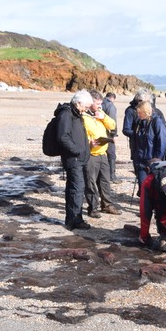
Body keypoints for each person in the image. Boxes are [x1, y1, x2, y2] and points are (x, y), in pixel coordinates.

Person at [56, 89, 93, 230]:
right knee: (76, 189)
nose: (86, 110)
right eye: (86, 107)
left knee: (76, 188)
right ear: (78, 103)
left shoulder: (76, 113)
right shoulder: (66, 114)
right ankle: (74, 219)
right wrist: (77, 150)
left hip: (79, 158)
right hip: (73, 159)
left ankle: (74, 218)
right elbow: (62, 137)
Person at [82, 90, 121, 217]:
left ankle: (107, 205)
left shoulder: (100, 112)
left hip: (103, 153)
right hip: (91, 154)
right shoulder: (82, 115)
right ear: (90, 102)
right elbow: (79, 135)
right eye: (97, 103)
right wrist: (89, 143)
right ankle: (93, 208)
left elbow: (113, 124)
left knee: (105, 181)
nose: (100, 106)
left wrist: (102, 117)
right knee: (91, 182)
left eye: (101, 103)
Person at [122, 88, 166, 183]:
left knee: (153, 184)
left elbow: (163, 137)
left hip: (152, 156)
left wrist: (157, 157)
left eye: (146, 102)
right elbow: (126, 129)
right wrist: (138, 135)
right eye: (140, 101)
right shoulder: (132, 112)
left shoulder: (157, 116)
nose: (142, 103)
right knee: (143, 183)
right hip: (138, 153)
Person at [132, 101, 166, 190]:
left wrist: (156, 158)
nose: (138, 115)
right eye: (138, 113)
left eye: (140, 113)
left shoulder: (157, 122)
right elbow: (135, 142)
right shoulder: (139, 123)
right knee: (143, 185)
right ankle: (144, 202)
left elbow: (163, 140)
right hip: (140, 161)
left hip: (153, 160)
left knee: (153, 187)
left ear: (146, 112)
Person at [101, 92, 119, 182]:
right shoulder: (110, 106)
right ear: (113, 98)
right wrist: (114, 134)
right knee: (111, 155)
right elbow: (113, 121)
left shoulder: (100, 103)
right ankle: (112, 176)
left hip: (98, 133)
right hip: (108, 134)